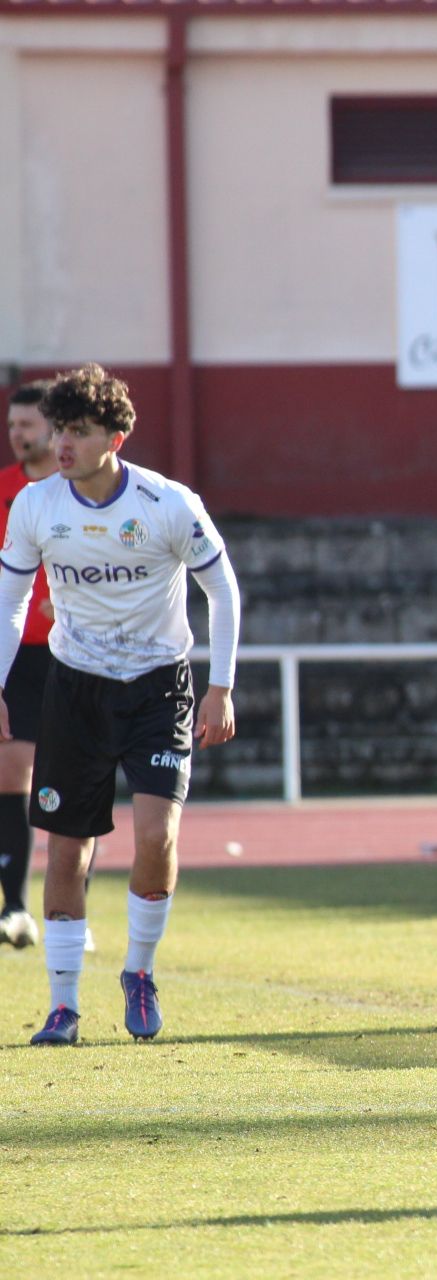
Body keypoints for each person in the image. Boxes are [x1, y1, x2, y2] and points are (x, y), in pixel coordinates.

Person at [0, 364, 241, 1046]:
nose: (63, 444)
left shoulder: (168, 504)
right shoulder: (36, 505)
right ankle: (63, 1006)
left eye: (79, 431)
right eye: (60, 430)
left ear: (118, 438)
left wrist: (220, 686)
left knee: (156, 837)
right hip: (75, 690)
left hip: (159, 688)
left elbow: (223, 591)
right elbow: (11, 602)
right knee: (66, 849)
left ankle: (138, 972)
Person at [0, 382, 58, 947]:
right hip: (17, 658)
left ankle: (72, 910)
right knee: (12, 769)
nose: (17, 435)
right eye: (12, 425)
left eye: (27, 425)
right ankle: (14, 906)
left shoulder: (76, 492)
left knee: (71, 773)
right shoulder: (2, 492)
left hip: (73, 657)